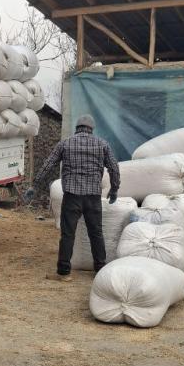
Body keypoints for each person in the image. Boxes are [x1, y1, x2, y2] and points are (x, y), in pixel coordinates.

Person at [29, 114, 121, 281]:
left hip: (72, 197)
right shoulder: (102, 144)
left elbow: (49, 164)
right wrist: (114, 188)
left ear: (77, 128)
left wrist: (34, 185)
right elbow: (114, 167)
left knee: (68, 234)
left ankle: (64, 273)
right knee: (96, 233)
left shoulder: (65, 143)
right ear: (92, 128)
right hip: (93, 197)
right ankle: (100, 269)